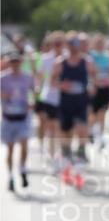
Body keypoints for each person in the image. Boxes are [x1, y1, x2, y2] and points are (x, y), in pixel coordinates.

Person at [50, 32, 97, 188]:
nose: (74, 47)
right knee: (66, 137)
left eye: (76, 44)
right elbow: (52, 81)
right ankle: (66, 167)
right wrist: (61, 85)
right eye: (71, 44)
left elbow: (94, 76)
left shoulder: (86, 61)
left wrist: (92, 86)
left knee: (82, 130)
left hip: (81, 102)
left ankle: (80, 165)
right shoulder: (60, 62)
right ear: (67, 45)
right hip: (66, 103)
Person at [1, 54, 35, 191]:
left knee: (24, 146)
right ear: (9, 63)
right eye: (12, 62)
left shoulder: (27, 77)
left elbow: (34, 91)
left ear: (21, 63)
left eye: (17, 62)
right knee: (10, 150)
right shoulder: (3, 78)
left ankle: (22, 169)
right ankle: (10, 176)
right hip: (8, 118)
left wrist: (32, 101)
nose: (15, 64)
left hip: (23, 117)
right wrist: (5, 95)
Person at [35, 32, 64, 168]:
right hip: (49, 97)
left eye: (61, 43)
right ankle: (52, 155)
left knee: (59, 128)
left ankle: (57, 153)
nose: (59, 46)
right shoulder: (46, 59)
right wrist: (37, 88)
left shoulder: (68, 58)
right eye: (56, 43)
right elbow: (40, 77)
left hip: (65, 98)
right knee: (51, 127)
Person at [89, 33, 109, 150]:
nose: (100, 45)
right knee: (93, 114)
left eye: (101, 43)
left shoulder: (108, 57)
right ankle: (91, 131)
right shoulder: (90, 56)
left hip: (105, 88)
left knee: (103, 113)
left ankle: (101, 137)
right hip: (94, 88)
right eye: (98, 43)